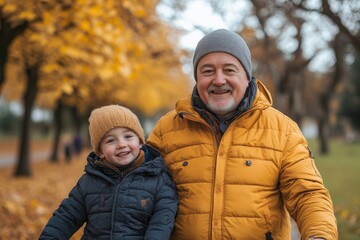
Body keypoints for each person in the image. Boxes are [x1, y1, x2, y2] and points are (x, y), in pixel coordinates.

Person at [147, 29, 338, 240]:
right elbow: (136, 189)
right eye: (208, 71)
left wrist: (320, 235)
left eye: (229, 70)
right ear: (197, 77)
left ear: (247, 76)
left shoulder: (283, 131)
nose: (219, 80)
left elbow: (308, 194)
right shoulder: (166, 129)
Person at [39, 105, 178, 239]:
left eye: (128, 136)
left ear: (140, 141)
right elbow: (66, 217)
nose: (121, 144)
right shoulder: (89, 182)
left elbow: (161, 224)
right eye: (111, 140)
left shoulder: (159, 180)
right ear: (100, 152)